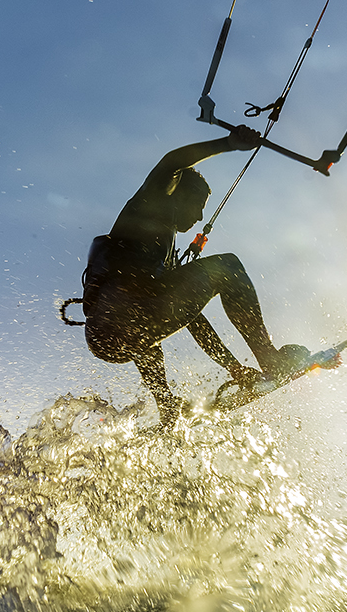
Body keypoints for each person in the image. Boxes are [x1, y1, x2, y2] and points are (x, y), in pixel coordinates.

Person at [76, 125, 308, 425]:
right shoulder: (149, 204)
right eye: (198, 206)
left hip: (106, 338)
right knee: (229, 266)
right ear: (176, 193)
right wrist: (229, 143)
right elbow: (172, 162)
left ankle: (167, 407)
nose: (200, 217)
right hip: (124, 314)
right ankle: (269, 357)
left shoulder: (164, 259)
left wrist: (234, 368)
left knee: (146, 338)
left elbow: (191, 319)